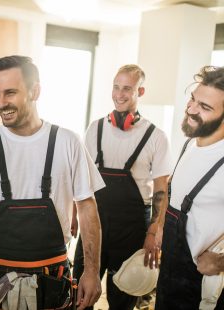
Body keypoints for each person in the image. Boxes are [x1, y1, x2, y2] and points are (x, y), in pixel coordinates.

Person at [0, 55, 104, 310]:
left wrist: (91, 271)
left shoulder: (67, 142)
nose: (1, 102)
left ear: (35, 91)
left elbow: (87, 208)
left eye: (10, 93)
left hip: (53, 278)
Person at [72, 64, 171, 310]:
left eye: (127, 88)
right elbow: (80, 176)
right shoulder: (95, 129)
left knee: (122, 298)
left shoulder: (156, 136)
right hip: (94, 222)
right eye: (116, 87)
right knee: (79, 295)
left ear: (141, 91)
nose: (119, 94)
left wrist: (154, 232)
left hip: (132, 230)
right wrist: (73, 214)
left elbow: (161, 189)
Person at [155, 65, 224, 309]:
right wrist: (160, 227)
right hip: (170, 277)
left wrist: (223, 261)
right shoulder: (190, 144)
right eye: (193, 100)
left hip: (202, 288)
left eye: (205, 108)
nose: (191, 110)